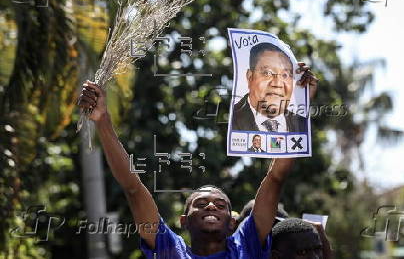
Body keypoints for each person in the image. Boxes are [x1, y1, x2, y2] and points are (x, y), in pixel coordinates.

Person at [77, 81, 306, 258]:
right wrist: (102, 120)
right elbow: (133, 188)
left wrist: (299, 101)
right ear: (184, 221)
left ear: (232, 223)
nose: (210, 205)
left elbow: (276, 177)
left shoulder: (247, 245)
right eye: (200, 203)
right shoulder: (169, 250)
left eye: (220, 205)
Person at [231, 42, 317, 132]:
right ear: (250, 77)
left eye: (285, 75)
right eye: (267, 73)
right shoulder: (229, 118)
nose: (277, 83)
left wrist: (305, 98)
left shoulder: (302, 123)